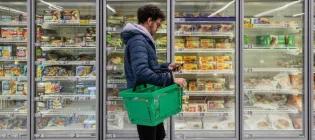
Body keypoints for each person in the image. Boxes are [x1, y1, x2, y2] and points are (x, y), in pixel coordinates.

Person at [121, 4, 186, 140]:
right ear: (149, 21)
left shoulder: (142, 39)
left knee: (159, 135)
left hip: (148, 96)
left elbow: (148, 67)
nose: (158, 28)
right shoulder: (138, 40)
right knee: (150, 136)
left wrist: (167, 67)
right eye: (157, 24)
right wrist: (171, 80)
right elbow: (142, 72)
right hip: (143, 98)